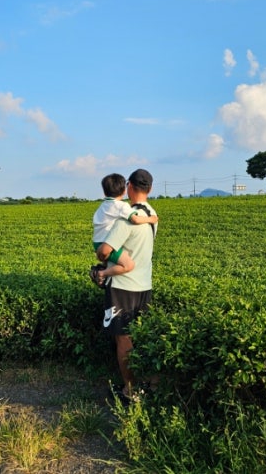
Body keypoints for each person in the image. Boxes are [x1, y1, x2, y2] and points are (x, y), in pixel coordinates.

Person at [96, 169, 157, 402]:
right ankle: (149, 384)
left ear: (129, 186)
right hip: (144, 284)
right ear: (150, 189)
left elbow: (104, 250)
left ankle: (130, 391)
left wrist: (102, 265)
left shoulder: (126, 219)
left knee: (123, 338)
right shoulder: (152, 214)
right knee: (141, 335)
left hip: (122, 287)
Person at [90, 173, 158, 288]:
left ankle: (101, 273)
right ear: (124, 190)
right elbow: (135, 219)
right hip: (141, 284)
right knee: (129, 265)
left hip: (98, 243)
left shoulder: (101, 207)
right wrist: (151, 219)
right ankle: (102, 274)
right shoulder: (124, 207)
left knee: (107, 260)